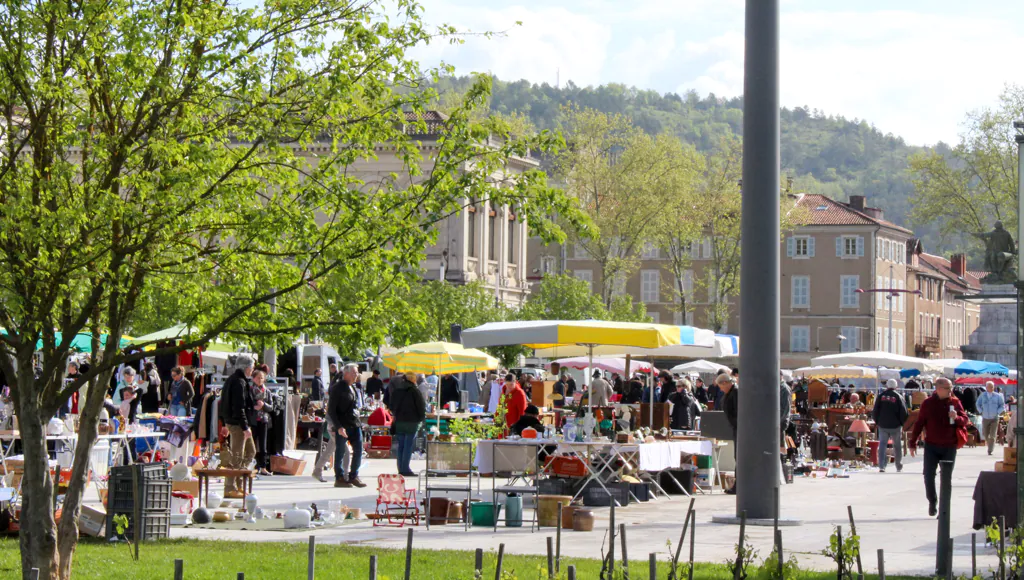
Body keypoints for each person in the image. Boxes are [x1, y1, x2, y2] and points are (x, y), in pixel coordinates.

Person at [909, 377, 968, 516]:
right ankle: (932, 501)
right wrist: (912, 443)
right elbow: (919, 423)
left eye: (951, 387)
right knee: (928, 475)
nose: (951, 390)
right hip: (931, 446)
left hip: (949, 445)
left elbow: (965, 420)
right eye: (948, 388)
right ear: (939, 389)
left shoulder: (955, 402)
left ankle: (944, 509)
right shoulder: (928, 403)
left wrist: (956, 417)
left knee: (946, 479)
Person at [221, 355, 256, 498]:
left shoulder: (232, 380)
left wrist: (224, 422)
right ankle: (230, 487)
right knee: (237, 455)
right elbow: (238, 406)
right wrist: (245, 427)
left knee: (250, 451)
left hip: (236, 423)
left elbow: (223, 403)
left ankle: (238, 483)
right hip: (238, 424)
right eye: (252, 368)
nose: (252, 370)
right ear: (247, 368)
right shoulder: (238, 382)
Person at [328, 363, 365, 487]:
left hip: (354, 423)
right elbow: (331, 410)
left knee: (359, 449)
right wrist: (338, 427)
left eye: (357, 373)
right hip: (343, 425)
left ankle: (353, 475)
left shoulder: (353, 387)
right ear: (346, 374)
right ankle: (339, 477)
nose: (356, 375)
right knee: (340, 452)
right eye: (354, 373)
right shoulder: (338, 388)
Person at [389, 371, 426, 477]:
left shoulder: (397, 390)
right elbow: (421, 406)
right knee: (408, 445)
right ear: (413, 379)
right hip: (412, 421)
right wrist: (421, 418)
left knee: (401, 445)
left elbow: (391, 405)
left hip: (399, 421)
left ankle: (400, 467)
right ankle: (405, 469)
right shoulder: (415, 391)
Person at [873, 378, 909, 473]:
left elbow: (875, 411)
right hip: (896, 426)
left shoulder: (881, 396)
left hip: (883, 425)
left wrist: (877, 421)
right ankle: (898, 466)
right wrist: (901, 423)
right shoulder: (899, 397)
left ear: (887, 386)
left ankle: (882, 466)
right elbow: (904, 412)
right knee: (897, 446)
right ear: (896, 386)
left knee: (882, 445)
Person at [249, 369, 276, 476]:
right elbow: (247, 404)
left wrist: (263, 405)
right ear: (253, 378)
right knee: (251, 444)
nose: (260, 380)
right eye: (258, 377)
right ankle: (251, 466)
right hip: (253, 420)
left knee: (263, 445)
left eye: (262, 378)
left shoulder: (267, 391)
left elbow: (271, 407)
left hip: (264, 420)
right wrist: (254, 406)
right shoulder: (249, 390)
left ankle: (263, 467)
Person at [719, 374, 738, 494]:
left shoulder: (735, 392)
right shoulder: (731, 392)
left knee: (739, 457)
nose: (721, 389)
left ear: (725, 383)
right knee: (738, 457)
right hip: (736, 427)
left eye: (721, 386)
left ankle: (738, 486)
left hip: (738, 427)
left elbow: (737, 411)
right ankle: (737, 486)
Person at [977, 381, 1006, 455]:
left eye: (992, 386)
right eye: (989, 386)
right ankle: (989, 444)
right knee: (985, 434)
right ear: (986, 387)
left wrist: (997, 412)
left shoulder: (998, 396)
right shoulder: (982, 395)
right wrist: (981, 411)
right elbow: (978, 404)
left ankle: (990, 450)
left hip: (994, 418)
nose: (991, 388)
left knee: (992, 435)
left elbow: (1002, 405)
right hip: (985, 417)